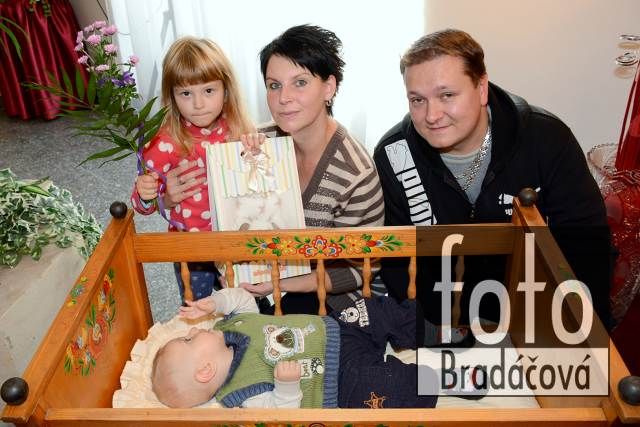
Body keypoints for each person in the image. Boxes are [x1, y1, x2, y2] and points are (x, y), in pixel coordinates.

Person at [373, 29, 612, 329]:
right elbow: (396, 262)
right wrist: (428, 331)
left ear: (482, 88)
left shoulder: (547, 139)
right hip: (440, 328)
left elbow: (588, 248)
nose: (431, 115)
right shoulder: (393, 154)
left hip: (539, 323)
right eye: (417, 100)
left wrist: (579, 330)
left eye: (447, 95)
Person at [239, 24, 385, 315]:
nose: (284, 98)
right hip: (272, 280)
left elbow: (360, 270)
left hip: (337, 299)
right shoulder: (259, 143)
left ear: (328, 87)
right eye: (274, 85)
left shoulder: (355, 173)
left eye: (300, 82)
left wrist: (278, 284)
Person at [151, 287, 437, 409]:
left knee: (376, 310)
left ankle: (433, 332)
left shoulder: (230, 326)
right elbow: (283, 413)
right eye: (188, 340)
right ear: (205, 371)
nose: (192, 330)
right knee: (384, 386)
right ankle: (439, 376)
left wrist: (217, 302)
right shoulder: (243, 393)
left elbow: (243, 299)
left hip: (339, 328)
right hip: (338, 381)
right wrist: (286, 386)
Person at [131, 36, 255, 302]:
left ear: (226, 90)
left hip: (235, 241)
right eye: (186, 93)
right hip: (190, 247)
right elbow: (143, 207)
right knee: (196, 308)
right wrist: (147, 193)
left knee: (247, 301)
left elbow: (261, 184)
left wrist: (258, 149)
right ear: (172, 96)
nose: (198, 104)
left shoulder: (238, 129)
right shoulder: (163, 142)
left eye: (208, 91)